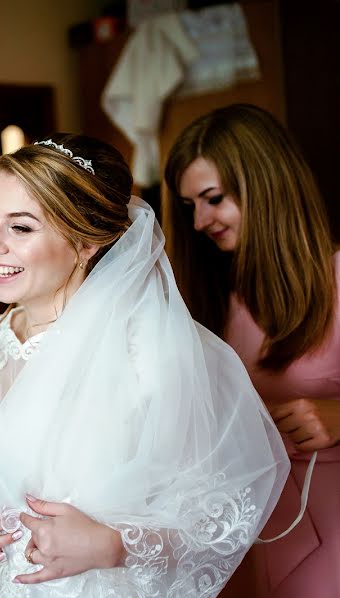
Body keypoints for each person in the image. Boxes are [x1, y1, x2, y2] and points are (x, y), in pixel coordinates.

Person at [0, 134, 289, 596]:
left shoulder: (151, 350)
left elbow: (225, 517)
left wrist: (114, 545)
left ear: (86, 241)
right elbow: (1, 473)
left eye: (21, 228)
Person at [163, 103, 340, 598]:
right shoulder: (208, 299)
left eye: (213, 198)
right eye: (189, 206)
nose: (199, 221)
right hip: (238, 530)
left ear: (266, 185)